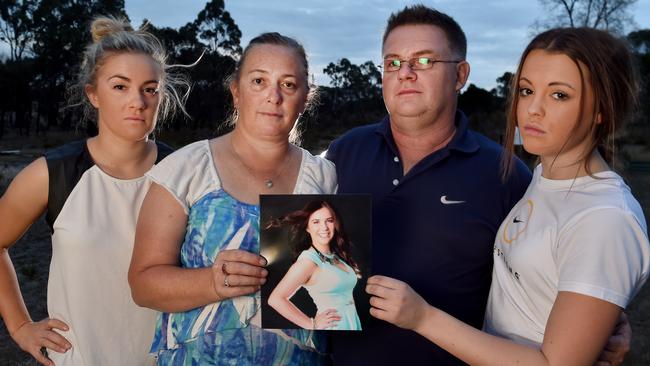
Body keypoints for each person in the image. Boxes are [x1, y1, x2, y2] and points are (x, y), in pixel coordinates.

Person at [325, 5, 632, 365]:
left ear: (461, 75)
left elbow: (559, 264)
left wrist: (605, 318)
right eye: (392, 62)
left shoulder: (506, 174)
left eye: (423, 61)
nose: (404, 73)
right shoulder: (341, 153)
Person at [128, 32, 337, 365]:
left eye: (288, 85)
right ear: (236, 92)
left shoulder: (323, 176)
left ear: (305, 99)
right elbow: (143, 285)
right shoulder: (186, 168)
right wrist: (211, 281)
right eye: (258, 81)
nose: (273, 97)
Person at [0, 16, 189, 366]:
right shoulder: (53, 173)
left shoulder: (186, 173)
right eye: (120, 86)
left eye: (150, 88)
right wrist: (21, 326)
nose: (138, 101)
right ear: (93, 94)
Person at [267, 200, 362, 331]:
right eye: (316, 222)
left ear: (335, 223)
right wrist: (311, 324)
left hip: (352, 322)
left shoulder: (337, 255)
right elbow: (275, 299)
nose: (324, 227)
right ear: (307, 227)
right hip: (334, 327)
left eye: (329, 220)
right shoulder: (308, 261)